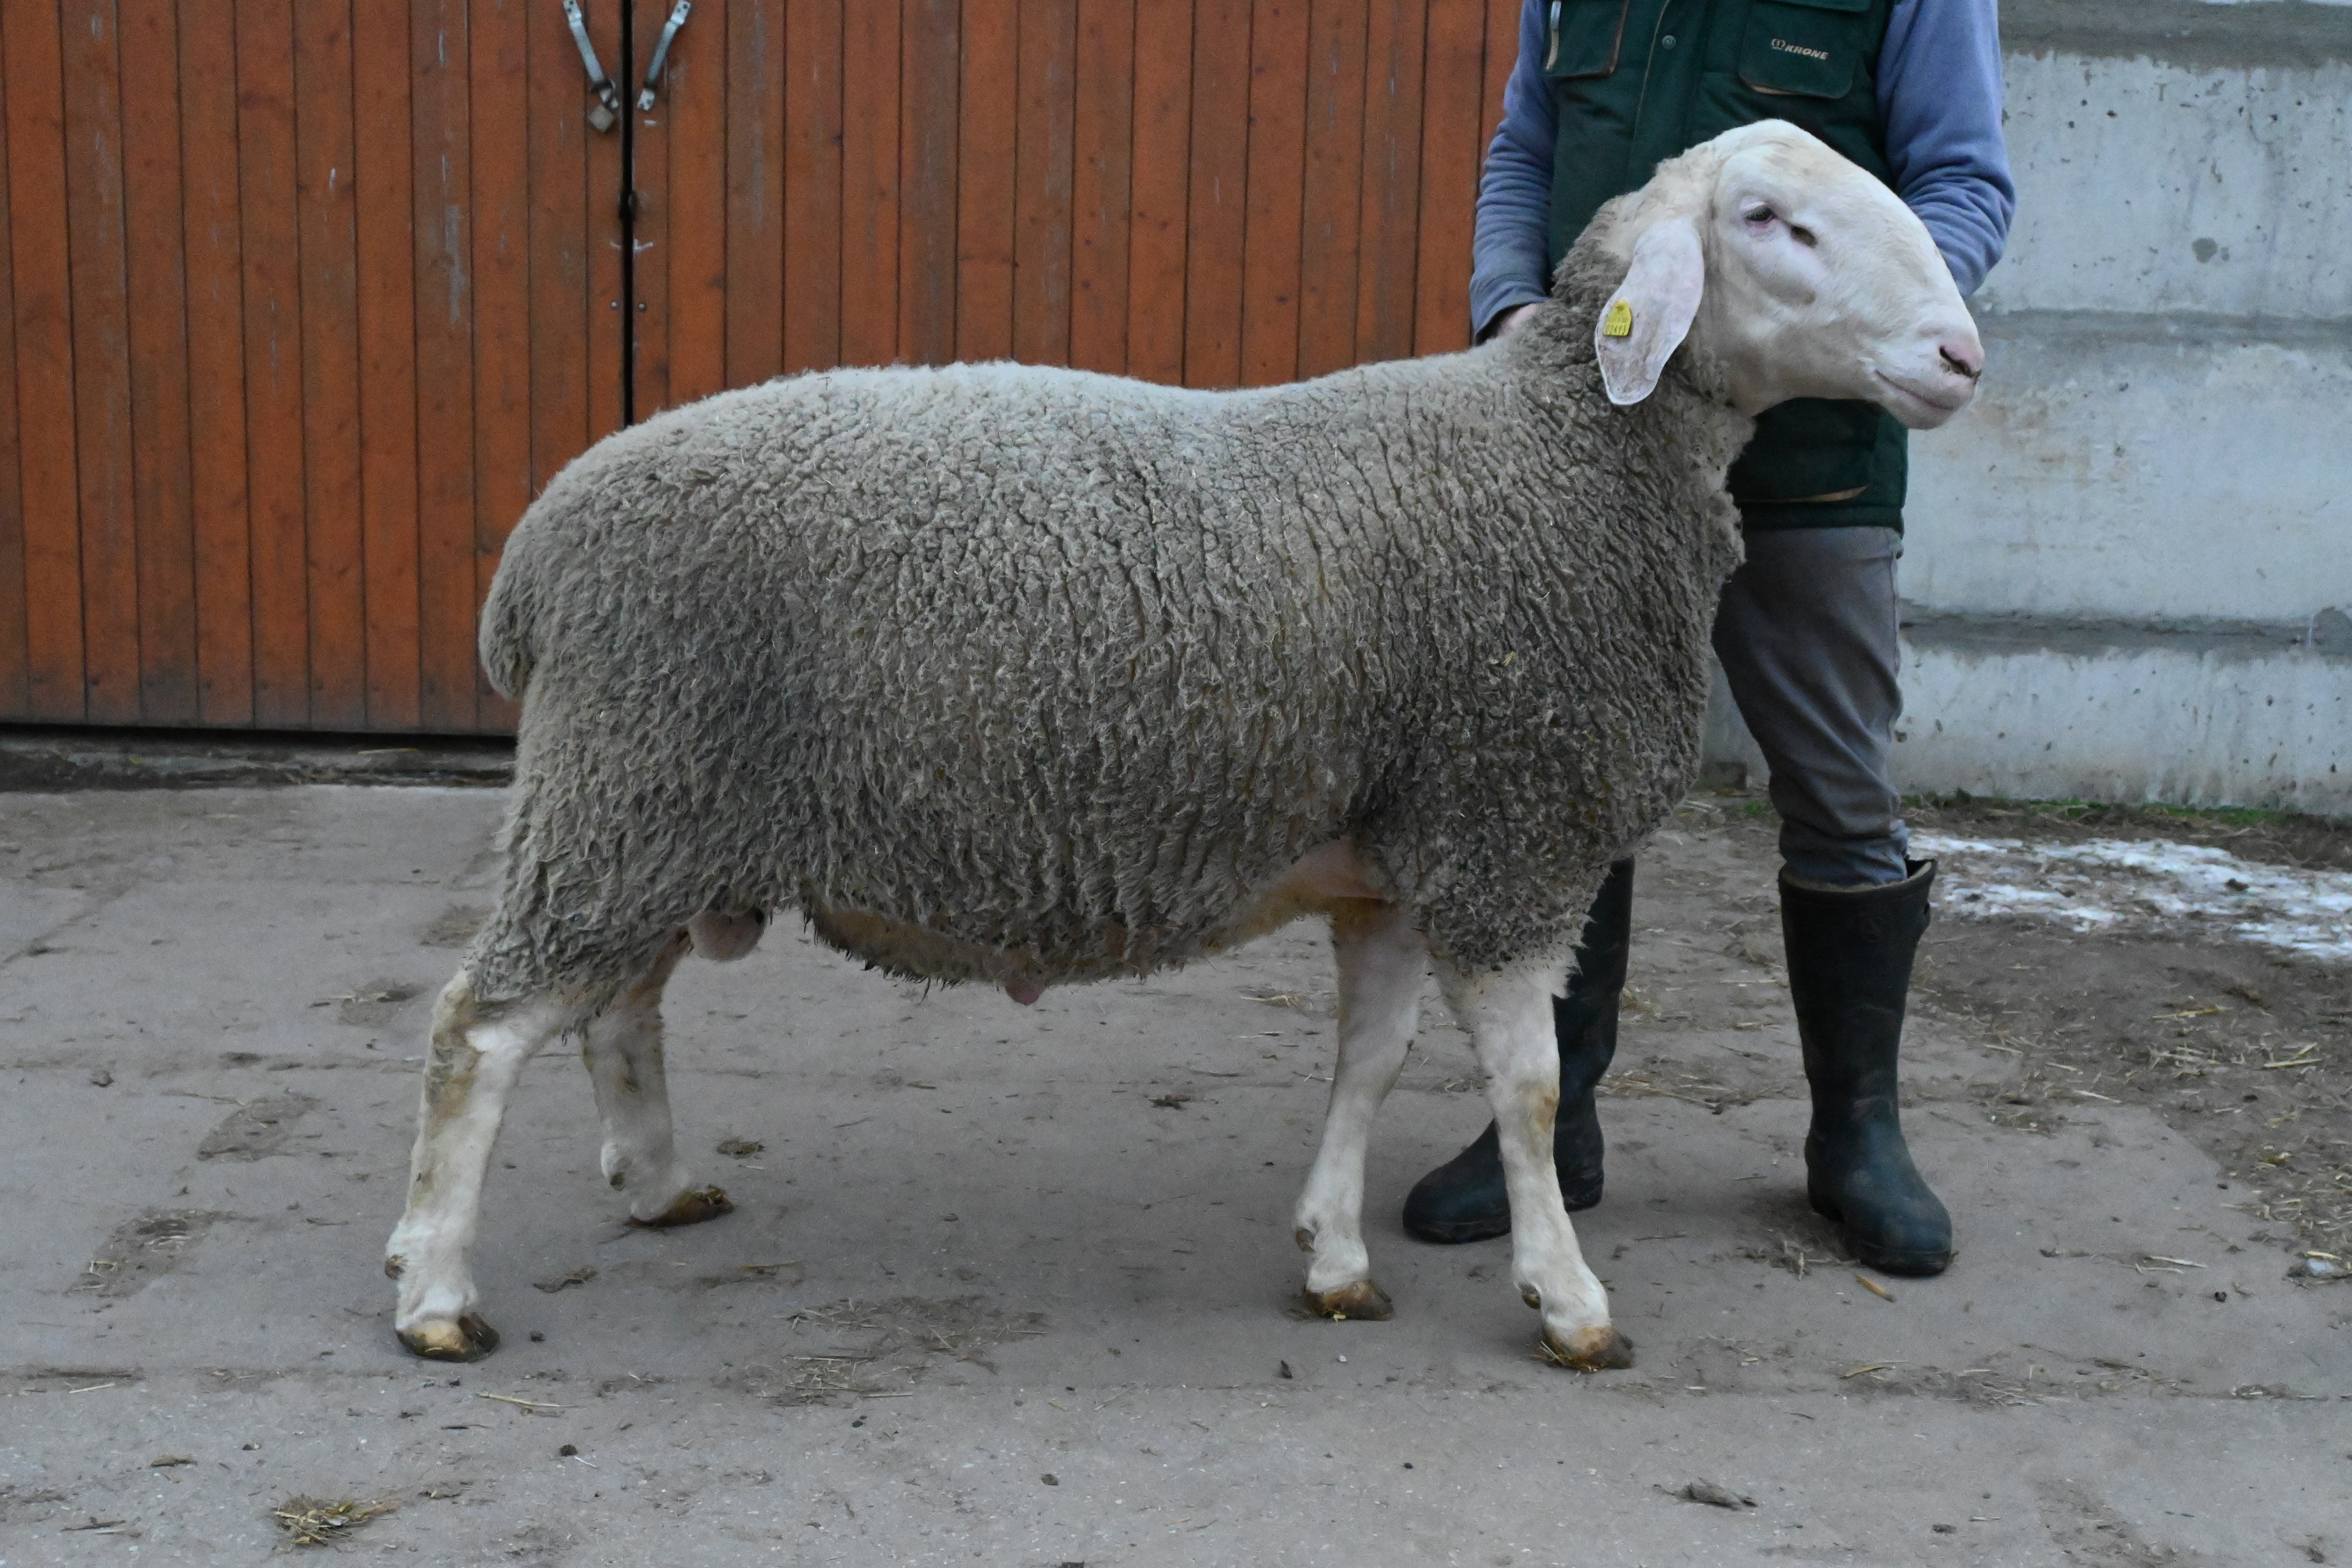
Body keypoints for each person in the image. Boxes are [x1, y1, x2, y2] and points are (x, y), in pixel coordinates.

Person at [1402, 0, 2014, 1275]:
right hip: (1593, 447)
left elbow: (1964, 184)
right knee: (1566, 780)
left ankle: (1857, 1135)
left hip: (1812, 463)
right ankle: (1553, 1125)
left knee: (1840, 788)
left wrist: (1868, 319)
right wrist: (1514, 310)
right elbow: (1527, 150)